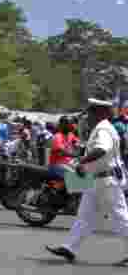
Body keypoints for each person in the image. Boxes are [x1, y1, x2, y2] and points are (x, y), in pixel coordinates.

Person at [46, 99, 128, 265]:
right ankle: (69, 248)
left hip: (105, 180)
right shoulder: (101, 128)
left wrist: (82, 161)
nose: (88, 115)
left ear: (101, 113)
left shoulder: (103, 129)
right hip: (96, 179)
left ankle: (69, 247)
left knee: (120, 218)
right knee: (85, 216)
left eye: (91, 112)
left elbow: (101, 149)